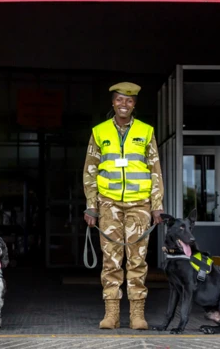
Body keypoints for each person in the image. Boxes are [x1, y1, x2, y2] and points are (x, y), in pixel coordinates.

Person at [82, 82, 165, 330]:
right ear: (113, 102)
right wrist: (91, 206)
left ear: (135, 104)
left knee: (137, 260)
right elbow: (89, 172)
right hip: (108, 204)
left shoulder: (146, 131)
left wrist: (156, 205)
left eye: (129, 101)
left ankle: (137, 314)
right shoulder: (99, 132)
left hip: (140, 205)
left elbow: (155, 171)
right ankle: (112, 314)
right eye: (120, 99)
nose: (124, 104)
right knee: (111, 261)